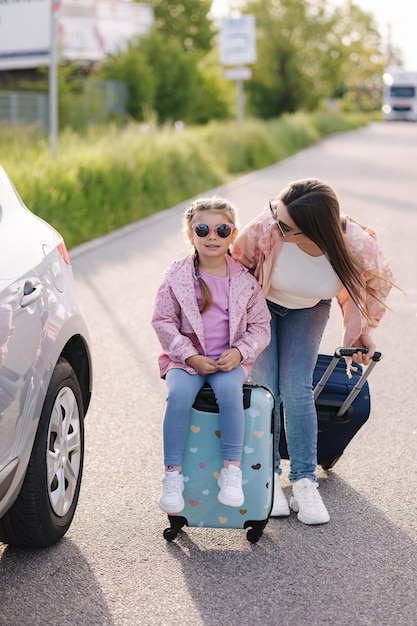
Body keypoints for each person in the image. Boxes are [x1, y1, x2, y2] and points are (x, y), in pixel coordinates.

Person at [232, 178, 395, 525]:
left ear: (314, 230)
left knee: (297, 388)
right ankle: (268, 477)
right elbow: (237, 263)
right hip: (261, 307)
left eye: (286, 225)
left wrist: (362, 331)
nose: (276, 223)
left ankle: (304, 481)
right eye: (278, 214)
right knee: (266, 390)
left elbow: (378, 283)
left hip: (309, 307)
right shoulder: (268, 226)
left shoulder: (356, 245)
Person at [152, 196, 271, 514]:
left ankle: (232, 470)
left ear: (233, 235)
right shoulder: (176, 278)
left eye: (222, 230)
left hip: (228, 361)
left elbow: (261, 327)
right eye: (202, 229)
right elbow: (162, 322)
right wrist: (189, 357)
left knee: (230, 392)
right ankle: (172, 475)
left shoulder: (245, 282)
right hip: (186, 361)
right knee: (178, 397)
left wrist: (239, 352)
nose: (212, 237)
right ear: (190, 234)